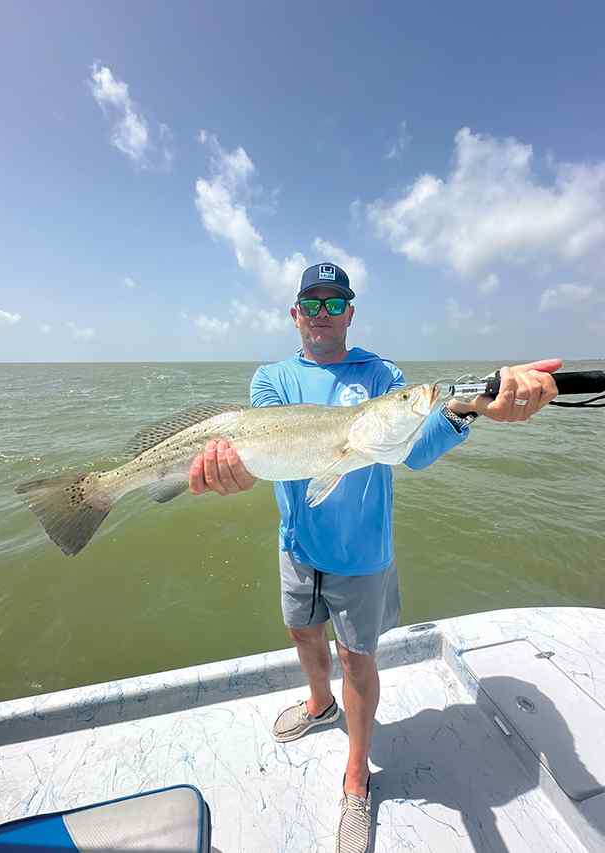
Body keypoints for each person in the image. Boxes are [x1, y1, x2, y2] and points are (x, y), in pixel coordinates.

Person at [188, 262, 560, 853]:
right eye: (312, 303)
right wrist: (229, 474)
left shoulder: (382, 375)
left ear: (351, 314)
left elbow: (413, 448)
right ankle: (319, 704)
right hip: (296, 547)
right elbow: (260, 451)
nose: (322, 313)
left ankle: (356, 776)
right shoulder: (272, 378)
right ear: (295, 314)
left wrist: (469, 409)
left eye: (336, 304)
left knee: (357, 658)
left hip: (362, 557)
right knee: (303, 634)